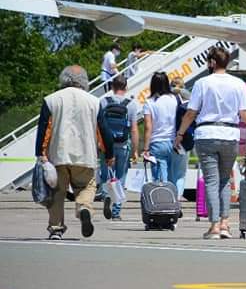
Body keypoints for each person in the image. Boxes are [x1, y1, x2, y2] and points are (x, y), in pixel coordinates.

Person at [176, 46, 246, 239]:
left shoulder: (202, 83)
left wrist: (180, 133)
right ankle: (225, 224)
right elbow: (245, 114)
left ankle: (213, 226)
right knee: (225, 181)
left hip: (206, 133)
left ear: (212, 62)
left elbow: (191, 112)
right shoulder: (239, 83)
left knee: (211, 181)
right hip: (230, 134)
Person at [35, 66, 109, 239]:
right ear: (84, 80)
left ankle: (56, 229)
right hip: (85, 155)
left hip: (57, 155)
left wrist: (41, 153)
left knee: (57, 192)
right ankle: (84, 209)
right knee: (86, 187)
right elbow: (103, 131)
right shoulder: (94, 101)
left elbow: (44, 130)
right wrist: (109, 154)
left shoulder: (51, 100)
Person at [98, 74, 140, 221]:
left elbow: (98, 126)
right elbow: (134, 129)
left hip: (106, 145)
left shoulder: (103, 102)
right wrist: (135, 150)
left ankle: (106, 196)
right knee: (120, 176)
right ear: (126, 87)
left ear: (112, 87)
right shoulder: (132, 104)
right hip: (123, 145)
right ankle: (116, 212)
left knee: (105, 175)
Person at [142, 72, 182, 193]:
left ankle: (162, 204)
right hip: (174, 142)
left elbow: (148, 127)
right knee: (173, 176)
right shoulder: (174, 99)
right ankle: (174, 201)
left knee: (159, 179)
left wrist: (145, 148)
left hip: (157, 143)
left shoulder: (149, 102)